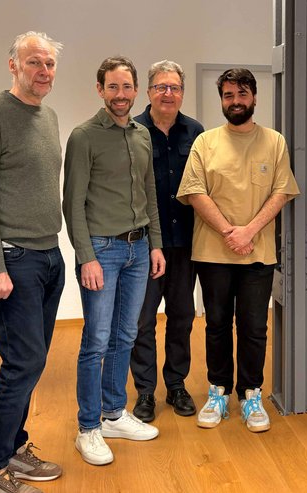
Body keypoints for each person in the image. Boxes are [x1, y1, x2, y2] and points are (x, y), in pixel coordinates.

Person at [0, 31, 65, 493]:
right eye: (34, 62)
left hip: (49, 254)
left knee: (33, 362)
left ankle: (13, 449)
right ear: (13, 65)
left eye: (49, 63)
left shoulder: (48, 116)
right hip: (15, 258)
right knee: (22, 363)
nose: (43, 71)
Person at [177, 68, 300, 433]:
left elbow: (282, 191)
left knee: (253, 326)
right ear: (222, 100)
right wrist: (230, 232)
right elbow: (194, 191)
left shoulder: (274, 141)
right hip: (213, 253)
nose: (235, 101)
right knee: (216, 324)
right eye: (228, 95)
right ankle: (218, 391)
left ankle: (250, 394)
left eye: (242, 94)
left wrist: (248, 231)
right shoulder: (205, 142)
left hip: (257, 253)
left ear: (254, 98)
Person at [63, 56, 165, 466]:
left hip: (139, 250)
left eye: (126, 87)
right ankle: (88, 427)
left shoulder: (142, 136)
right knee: (96, 341)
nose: (120, 95)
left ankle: (113, 414)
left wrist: (155, 244)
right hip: (102, 251)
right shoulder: (84, 136)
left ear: (136, 90)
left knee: (126, 335)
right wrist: (85, 256)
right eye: (112, 87)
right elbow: (73, 204)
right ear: (100, 90)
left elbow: (149, 193)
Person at [129, 60, 204, 422]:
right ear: (149, 92)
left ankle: (176, 384)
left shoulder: (196, 132)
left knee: (182, 317)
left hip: (186, 243)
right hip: (145, 245)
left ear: (182, 93)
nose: (168, 93)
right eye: (161, 87)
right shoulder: (133, 130)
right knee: (142, 321)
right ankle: (145, 391)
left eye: (174, 87)